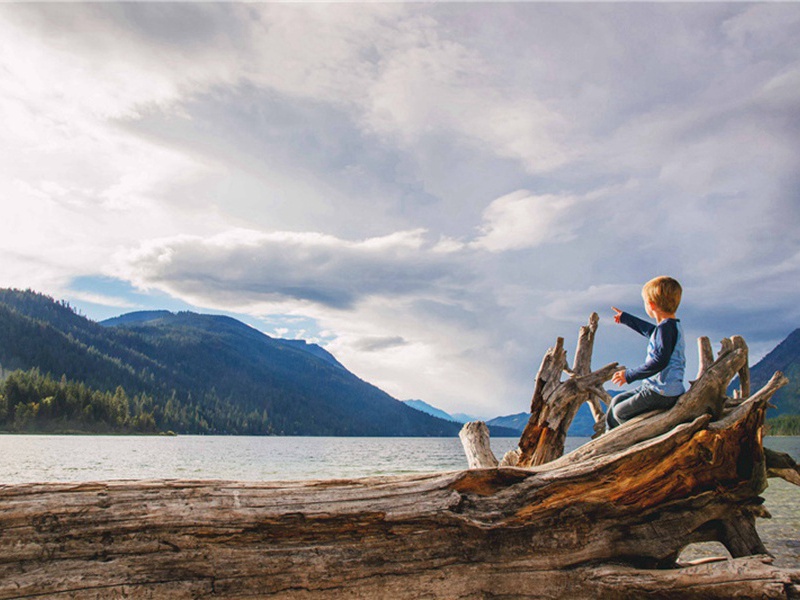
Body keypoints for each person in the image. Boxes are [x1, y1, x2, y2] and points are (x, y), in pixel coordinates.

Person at [605, 276, 686, 430]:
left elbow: (659, 362)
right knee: (616, 401)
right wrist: (626, 318)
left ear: (651, 305)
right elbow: (650, 331)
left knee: (620, 412)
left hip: (662, 392)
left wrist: (629, 375)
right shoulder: (667, 327)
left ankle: (631, 439)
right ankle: (607, 436)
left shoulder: (665, 329)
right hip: (655, 387)